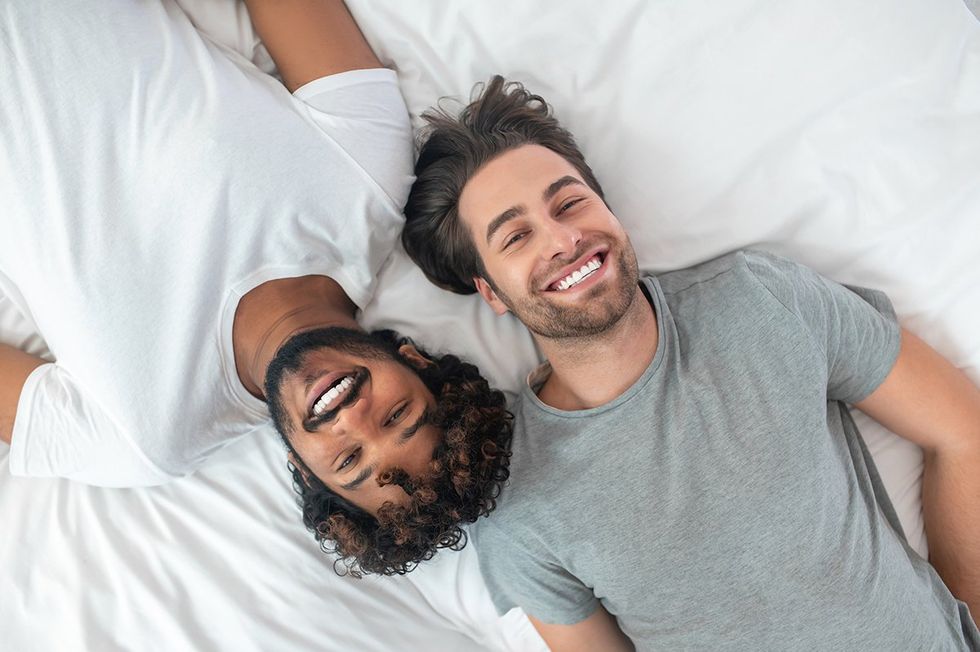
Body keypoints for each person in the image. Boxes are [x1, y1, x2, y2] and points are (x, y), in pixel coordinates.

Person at [401, 76, 980, 650]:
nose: (562, 239)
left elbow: (962, 432)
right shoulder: (517, 505)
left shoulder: (760, 299)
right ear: (492, 293)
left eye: (570, 202)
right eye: (516, 236)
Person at [0, 1, 511, 576]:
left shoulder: (143, 439)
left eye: (349, 460)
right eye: (397, 416)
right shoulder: (367, 179)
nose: (353, 419)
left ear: (302, 468)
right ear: (414, 361)